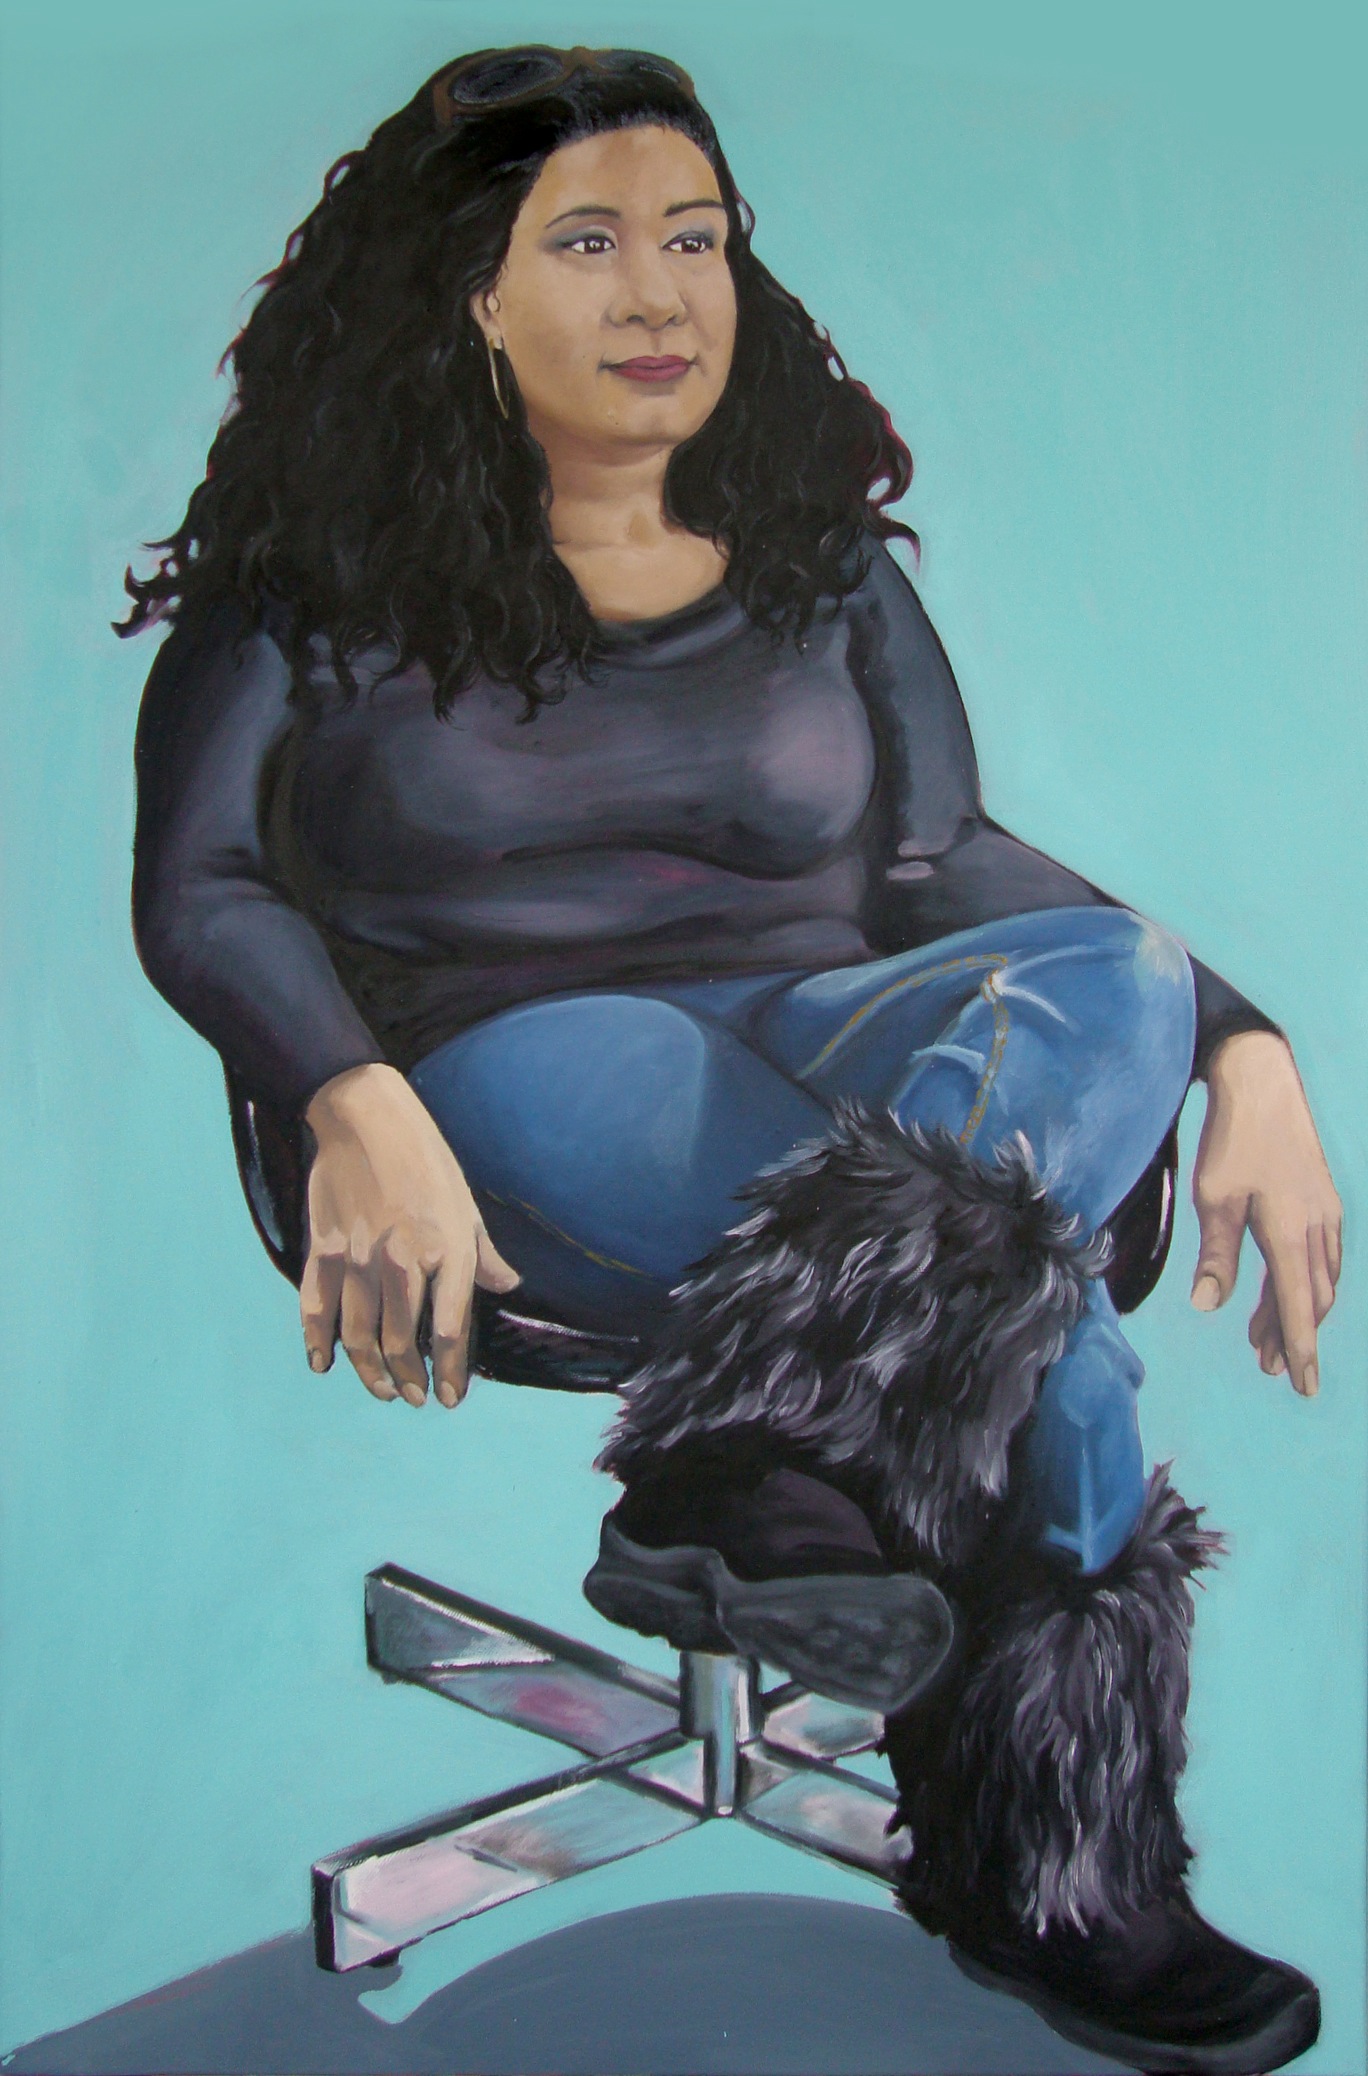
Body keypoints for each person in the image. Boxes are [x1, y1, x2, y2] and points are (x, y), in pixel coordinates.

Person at [124, 44, 1340, 2074]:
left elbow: (944, 866)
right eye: (589, 245)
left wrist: (1248, 1048)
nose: (662, 295)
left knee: (1116, 973)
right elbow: (206, 888)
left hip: (828, 1048)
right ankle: (1061, 1866)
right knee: (1049, 1332)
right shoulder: (306, 598)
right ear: (470, 292)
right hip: (508, 1079)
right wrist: (345, 1092)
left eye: (695, 241)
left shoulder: (818, 568)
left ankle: (764, 1468)